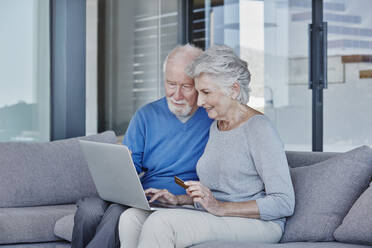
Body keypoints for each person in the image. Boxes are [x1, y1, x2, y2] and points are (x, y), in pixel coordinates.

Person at [118, 45, 295, 248]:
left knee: (161, 223)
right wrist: (178, 200)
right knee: (131, 218)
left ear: (234, 89)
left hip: (257, 223)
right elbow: (214, 195)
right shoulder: (217, 126)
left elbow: (284, 202)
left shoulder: (259, 128)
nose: (200, 102)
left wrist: (221, 208)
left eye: (206, 92)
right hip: (217, 214)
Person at [71, 44, 213, 248]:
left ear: (200, 84)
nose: (177, 95)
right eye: (171, 84)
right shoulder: (146, 115)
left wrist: (182, 198)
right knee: (88, 210)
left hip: (175, 199)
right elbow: (132, 166)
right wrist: (120, 165)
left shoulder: (211, 118)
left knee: (118, 214)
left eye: (186, 86)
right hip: (142, 194)